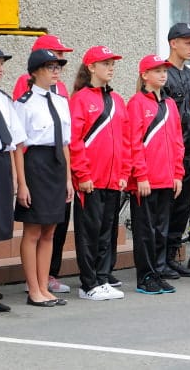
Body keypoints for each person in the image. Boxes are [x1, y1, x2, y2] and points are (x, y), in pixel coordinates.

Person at [13, 34, 74, 295]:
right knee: (34, 231)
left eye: (58, 67)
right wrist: (21, 183)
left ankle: (44, 285)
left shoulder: (60, 101)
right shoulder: (24, 103)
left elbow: (65, 143)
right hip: (35, 164)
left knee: (50, 230)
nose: (56, 72)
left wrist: (69, 178)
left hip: (57, 165)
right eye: (51, 67)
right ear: (36, 71)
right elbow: (17, 145)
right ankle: (34, 288)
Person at [69, 46, 129, 300]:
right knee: (89, 232)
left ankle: (103, 279)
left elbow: (125, 140)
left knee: (107, 231)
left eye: (112, 63)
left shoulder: (116, 100)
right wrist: (82, 175)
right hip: (91, 180)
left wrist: (124, 171)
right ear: (91, 67)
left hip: (113, 179)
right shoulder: (81, 99)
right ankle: (88, 283)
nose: (111, 67)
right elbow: (75, 141)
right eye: (106, 63)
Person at [127, 55, 184, 294]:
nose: (163, 74)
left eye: (164, 70)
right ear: (144, 75)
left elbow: (177, 141)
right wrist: (140, 176)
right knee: (145, 231)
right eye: (157, 70)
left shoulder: (169, 104)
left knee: (161, 230)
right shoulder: (136, 103)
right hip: (147, 181)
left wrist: (178, 173)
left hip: (166, 179)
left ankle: (158, 272)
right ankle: (146, 276)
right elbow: (134, 142)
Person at [0, 42, 26, 314]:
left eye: (1, 64)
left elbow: (13, 143)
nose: (0, 69)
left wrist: (14, 177)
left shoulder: (2, 99)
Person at [162, 22, 190, 279]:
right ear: (173, 43)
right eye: (187, 42)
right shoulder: (162, 73)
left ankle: (172, 256)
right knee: (166, 208)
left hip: (188, 152)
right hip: (168, 153)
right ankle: (161, 259)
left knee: (182, 209)